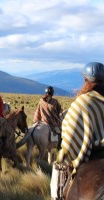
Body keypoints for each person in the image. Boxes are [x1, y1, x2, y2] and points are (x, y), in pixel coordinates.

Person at [50, 62, 104, 199]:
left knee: (60, 164)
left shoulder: (81, 103)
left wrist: (65, 154)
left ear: (86, 80)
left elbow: (70, 139)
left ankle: (56, 196)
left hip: (92, 154)